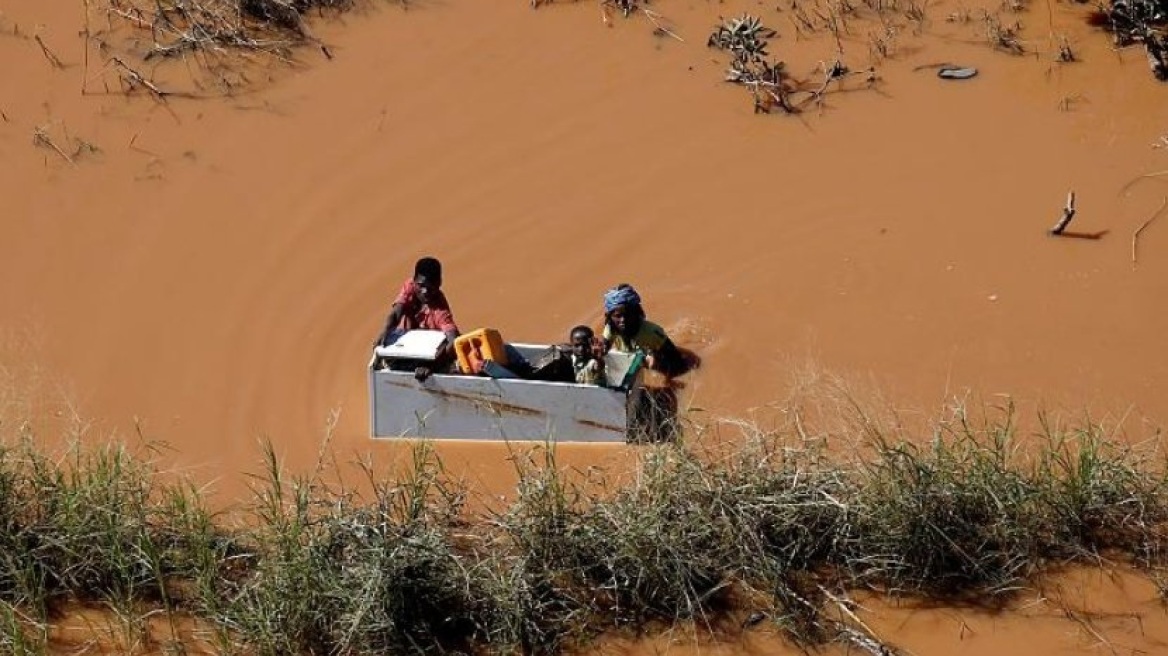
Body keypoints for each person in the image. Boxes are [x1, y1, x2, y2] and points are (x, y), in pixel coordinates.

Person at [376, 257, 460, 381]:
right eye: (420, 285)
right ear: (414, 281)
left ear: (439, 284)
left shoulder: (440, 310)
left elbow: (453, 339)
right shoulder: (410, 287)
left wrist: (431, 366)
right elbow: (396, 313)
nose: (425, 291)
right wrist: (384, 332)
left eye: (430, 286)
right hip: (404, 346)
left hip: (429, 354)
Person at [601, 283, 686, 377]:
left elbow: (676, 359)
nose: (623, 320)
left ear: (636, 312)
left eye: (628, 315)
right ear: (610, 317)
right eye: (617, 316)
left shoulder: (651, 332)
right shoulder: (611, 329)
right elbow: (603, 350)